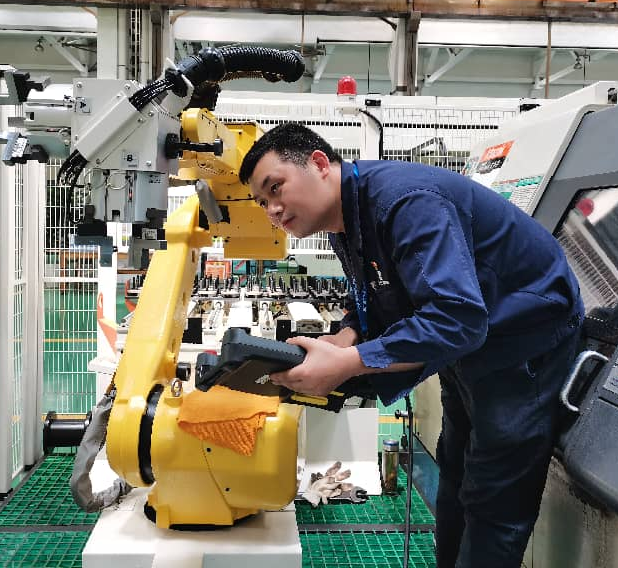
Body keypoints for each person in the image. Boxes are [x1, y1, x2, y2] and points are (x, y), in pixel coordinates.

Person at [238, 122, 583, 568]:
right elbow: (375, 292)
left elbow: (458, 318)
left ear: (319, 164)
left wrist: (349, 362)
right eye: (262, 202)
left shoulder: (406, 201)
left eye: (275, 188)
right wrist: (346, 335)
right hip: (466, 350)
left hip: (522, 346)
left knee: (493, 498)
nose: (272, 209)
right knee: (455, 475)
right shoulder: (345, 219)